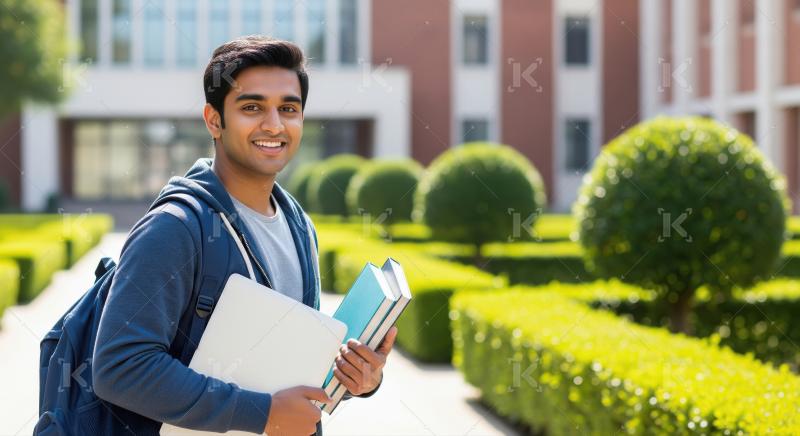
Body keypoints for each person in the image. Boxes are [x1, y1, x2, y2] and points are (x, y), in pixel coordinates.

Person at [92, 36, 398, 435]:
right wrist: (261, 412)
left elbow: (290, 356)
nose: (274, 124)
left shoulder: (298, 224)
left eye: (288, 108)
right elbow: (120, 368)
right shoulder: (176, 227)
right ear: (214, 120)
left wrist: (357, 377)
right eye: (252, 107)